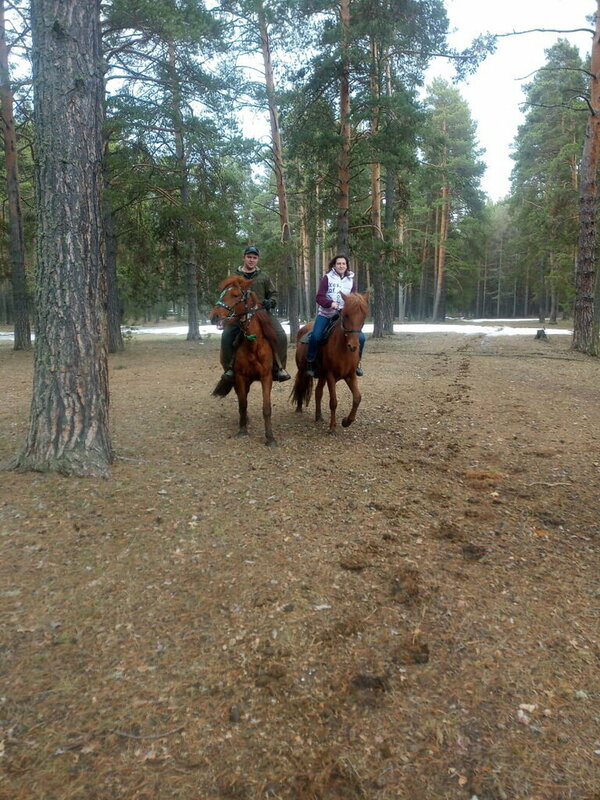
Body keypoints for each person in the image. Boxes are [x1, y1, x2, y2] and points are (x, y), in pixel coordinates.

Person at [219, 245, 291, 382]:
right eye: (249, 257)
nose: (251, 260)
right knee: (227, 335)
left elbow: (274, 293)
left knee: (281, 335)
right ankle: (230, 369)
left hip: (261, 313)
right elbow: (227, 295)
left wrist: (271, 302)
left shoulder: (264, 276)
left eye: (254, 257)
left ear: (257, 259)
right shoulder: (234, 277)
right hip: (239, 315)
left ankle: (279, 368)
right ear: (244, 258)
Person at [306, 254, 365, 378]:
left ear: (347, 266)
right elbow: (319, 297)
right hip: (326, 314)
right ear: (334, 265)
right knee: (316, 336)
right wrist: (331, 303)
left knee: (362, 338)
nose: (341, 266)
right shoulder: (327, 278)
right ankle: (310, 362)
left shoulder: (351, 280)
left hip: (343, 316)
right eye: (339, 263)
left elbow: (354, 298)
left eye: (344, 263)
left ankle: (357, 363)